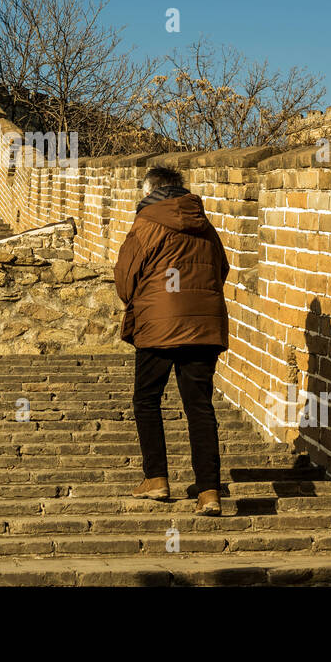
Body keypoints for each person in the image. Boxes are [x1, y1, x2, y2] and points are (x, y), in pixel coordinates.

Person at [114, 165, 230, 515]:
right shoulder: (206, 227)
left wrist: (148, 301)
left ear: (150, 192)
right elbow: (221, 270)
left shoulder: (145, 223)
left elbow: (125, 278)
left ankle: (157, 479)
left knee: (147, 400)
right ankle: (209, 491)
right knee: (199, 406)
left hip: (158, 325)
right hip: (203, 325)